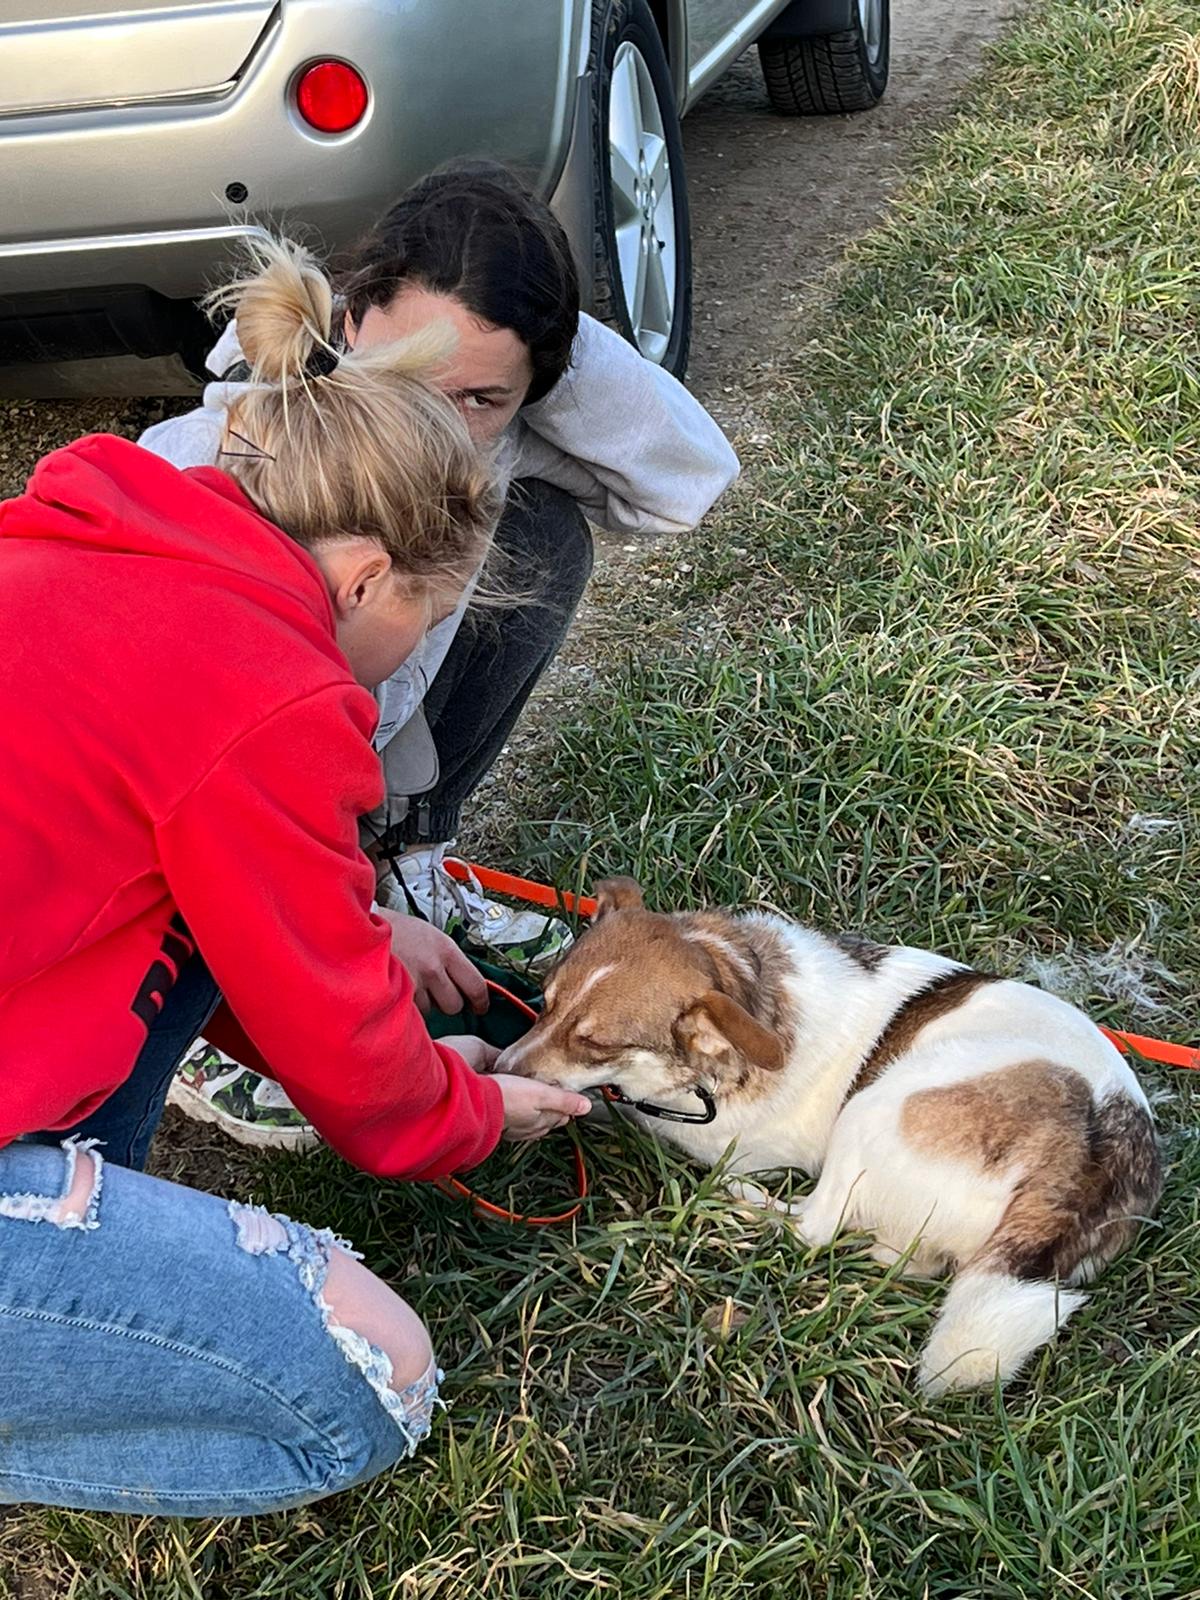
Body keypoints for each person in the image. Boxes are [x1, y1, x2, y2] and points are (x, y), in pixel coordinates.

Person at [0, 236, 592, 1517]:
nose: (400, 660)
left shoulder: (90, 545)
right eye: (423, 621)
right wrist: (468, 1111)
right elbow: (363, 1088)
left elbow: (225, 923)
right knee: (367, 1386)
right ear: (367, 575)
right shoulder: (267, 687)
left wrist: (357, 941)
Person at [140, 161, 740, 1149]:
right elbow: (208, 806)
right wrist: (360, 977)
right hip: (173, 825)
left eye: (478, 396)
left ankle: (403, 861)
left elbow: (685, 484)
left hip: (299, 787)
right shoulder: (219, 460)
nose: (429, 423)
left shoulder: (485, 440)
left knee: (542, 531)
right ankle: (187, 1013)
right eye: (407, 373)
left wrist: (536, 358)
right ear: (345, 324)